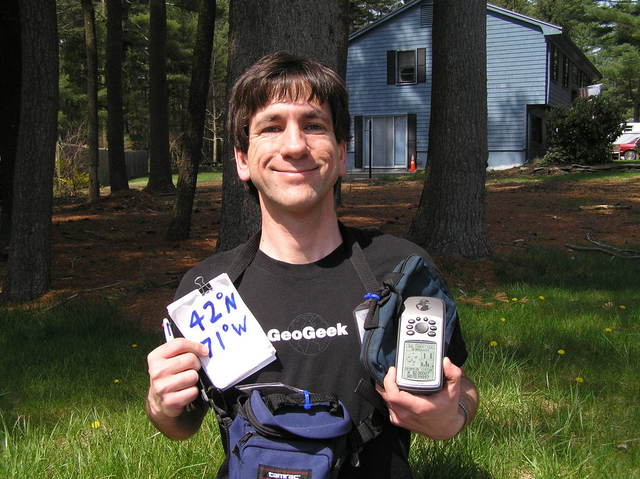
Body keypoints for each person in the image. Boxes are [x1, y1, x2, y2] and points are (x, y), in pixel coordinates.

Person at [146, 51, 479, 478]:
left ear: (341, 154)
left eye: (313, 125)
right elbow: (182, 422)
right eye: (271, 126)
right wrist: (162, 404)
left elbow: (460, 383)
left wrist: (454, 416)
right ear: (242, 160)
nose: (294, 145)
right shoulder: (207, 288)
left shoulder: (401, 269)